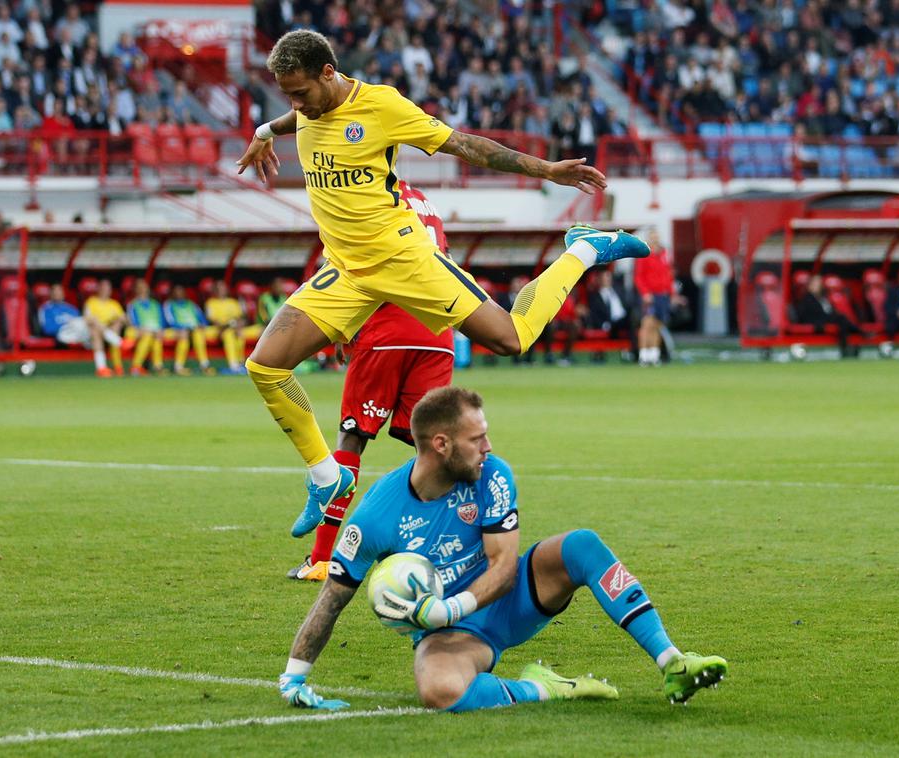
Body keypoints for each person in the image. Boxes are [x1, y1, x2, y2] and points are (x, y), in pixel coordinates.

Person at [234, 30, 649, 538]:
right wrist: (264, 131)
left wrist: (545, 169)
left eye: (300, 92)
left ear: (329, 73)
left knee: (511, 337)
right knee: (265, 365)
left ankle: (584, 249)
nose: (295, 105)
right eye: (286, 95)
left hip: (405, 259)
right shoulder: (306, 109)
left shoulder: (380, 106)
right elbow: (290, 117)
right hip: (346, 272)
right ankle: (327, 477)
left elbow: (464, 144)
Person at [278, 386, 728, 713]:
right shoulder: (376, 516)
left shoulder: (491, 474)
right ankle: (546, 687)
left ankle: (673, 661)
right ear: (441, 444)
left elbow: (503, 566)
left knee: (582, 546)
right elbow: (332, 600)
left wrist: (448, 607)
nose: (488, 448)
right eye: (477, 439)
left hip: (508, 597)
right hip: (454, 635)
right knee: (439, 693)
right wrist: (294, 678)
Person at [288, 181, 455, 580]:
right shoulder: (428, 204)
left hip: (385, 331)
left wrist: (343, 329)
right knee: (433, 447)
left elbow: (346, 265)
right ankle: (445, 552)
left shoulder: (364, 194)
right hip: (438, 334)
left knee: (352, 440)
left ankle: (323, 559)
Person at [794, 274, 864, 358]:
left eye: (819, 283)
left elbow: (829, 310)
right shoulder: (807, 299)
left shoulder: (823, 298)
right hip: (817, 322)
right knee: (841, 318)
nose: (818, 286)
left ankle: (851, 339)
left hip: (825, 319)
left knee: (841, 318)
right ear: (809, 285)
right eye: (815, 283)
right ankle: (854, 336)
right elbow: (805, 315)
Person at [633, 228, 673, 367]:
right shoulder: (644, 254)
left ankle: (654, 355)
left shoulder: (664, 253)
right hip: (650, 295)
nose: (655, 239)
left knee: (657, 325)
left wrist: (671, 293)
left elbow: (668, 274)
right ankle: (643, 355)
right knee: (647, 324)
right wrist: (645, 293)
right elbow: (639, 276)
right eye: (653, 236)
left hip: (662, 295)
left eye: (657, 236)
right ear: (649, 238)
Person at [205, 280, 259, 375]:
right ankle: (233, 365)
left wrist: (238, 324)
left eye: (223, 287)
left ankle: (242, 363)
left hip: (234, 328)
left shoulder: (233, 302)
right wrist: (231, 324)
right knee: (228, 334)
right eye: (218, 288)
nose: (221, 290)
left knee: (244, 331)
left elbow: (241, 318)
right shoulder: (211, 303)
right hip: (219, 330)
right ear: (214, 290)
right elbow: (213, 321)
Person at [162, 283, 214, 376]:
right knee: (184, 334)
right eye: (176, 292)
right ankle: (178, 367)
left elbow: (202, 319)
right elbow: (169, 320)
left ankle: (204, 365)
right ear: (172, 293)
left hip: (194, 329)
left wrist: (201, 325)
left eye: (181, 291)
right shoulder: (169, 304)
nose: (179, 294)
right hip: (177, 330)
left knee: (198, 333)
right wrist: (182, 327)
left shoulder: (192, 304)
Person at [84, 278, 126, 377]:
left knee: (117, 323)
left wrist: (117, 319)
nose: (105, 290)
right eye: (103, 287)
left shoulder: (114, 304)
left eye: (107, 288)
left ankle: (117, 367)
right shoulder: (91, 301)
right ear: (98, 289)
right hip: (93, 334)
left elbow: (124, 319)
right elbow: (87, 318)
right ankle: (102, 368)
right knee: (95, 328)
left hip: (110, 330)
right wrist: (102, 326)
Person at [126, 279, 167, 376]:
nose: (143, 289)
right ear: (136, 289)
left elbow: (162, 320)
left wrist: (161, 329)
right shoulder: (132, 304)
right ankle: (136, 366)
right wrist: (140, 328)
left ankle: (158, 366)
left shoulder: (155, 304)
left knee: (156, 336)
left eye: (144, 286)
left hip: (155, 331)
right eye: (140, 287)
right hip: (138, 330)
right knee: (148, 335)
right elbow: (132, 321)